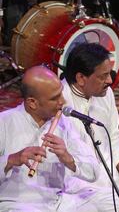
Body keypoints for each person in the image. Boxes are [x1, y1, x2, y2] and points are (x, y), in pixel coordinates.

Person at [61, 43, 119, 211]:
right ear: (81, 78)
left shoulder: (105, 94)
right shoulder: (58, 101)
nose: (110, 81)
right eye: (103, 76)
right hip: (78, 186)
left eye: (109, 74)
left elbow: (113, 138)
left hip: (110, 177)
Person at [0, 66, 98, 211]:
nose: (63, 102)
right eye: (55, 98)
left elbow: (93, 172)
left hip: (58, 201)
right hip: (18, 204)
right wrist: (12, 160)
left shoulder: (63, 122)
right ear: (32, 102)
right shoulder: (4, 122)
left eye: (61, 94)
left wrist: (68, 158)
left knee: (111, 202)